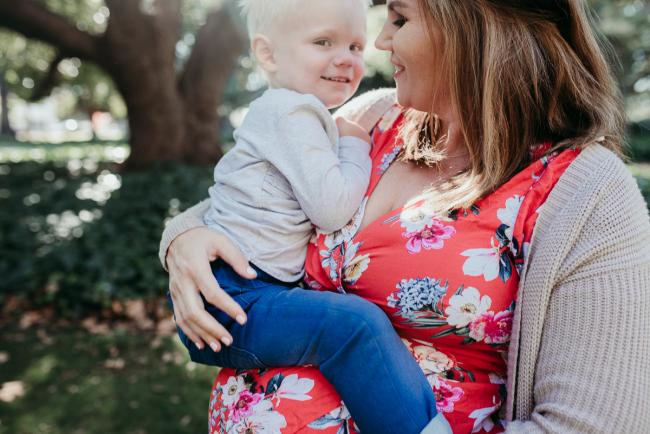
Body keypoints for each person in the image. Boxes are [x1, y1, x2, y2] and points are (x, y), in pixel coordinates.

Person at [160, 0, 650, 432]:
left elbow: (596, 423)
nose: (379, 40)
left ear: (475, 22)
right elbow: (259, 191)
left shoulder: (586, 193)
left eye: (399, 17)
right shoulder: (374, 119)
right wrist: (184, 239)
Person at [166, 0, 449, 432]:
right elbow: (332, 209)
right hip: (233, 297)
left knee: (350, 325)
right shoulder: (291, 112)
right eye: (323, 42)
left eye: (355, 46)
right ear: (267, 53)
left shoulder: (299, 113)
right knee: (355, 326)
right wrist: (353, 144)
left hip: (244, 292)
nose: (347, 58)